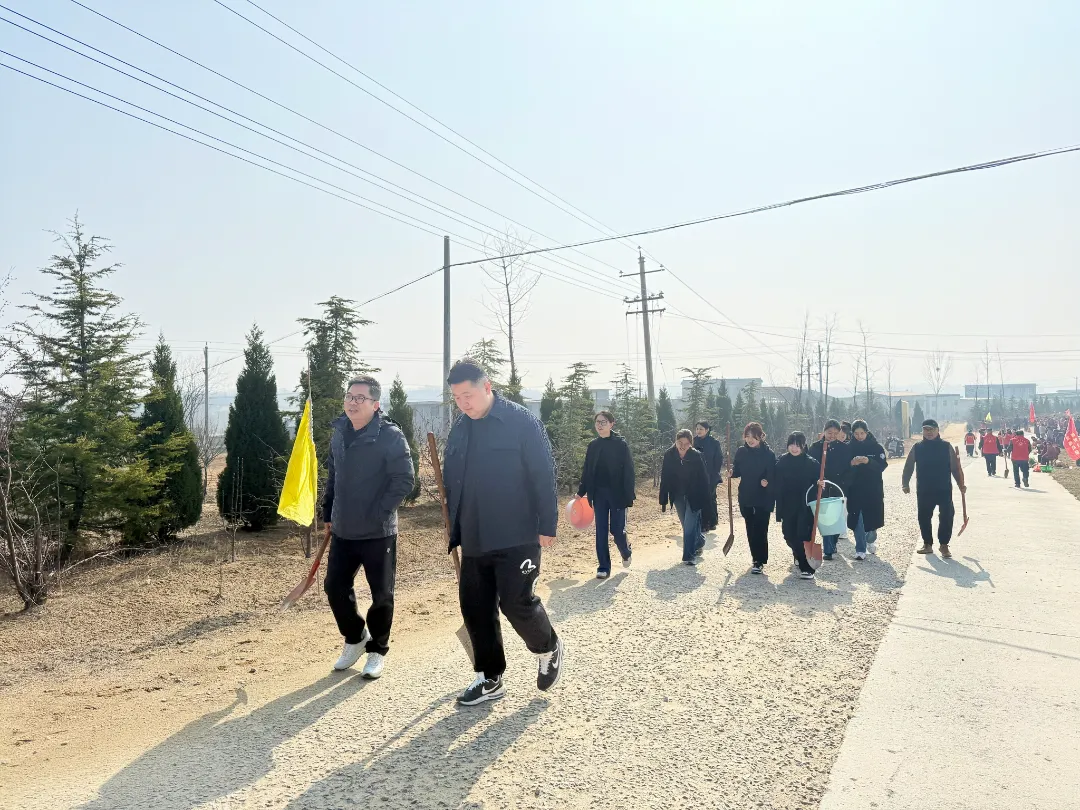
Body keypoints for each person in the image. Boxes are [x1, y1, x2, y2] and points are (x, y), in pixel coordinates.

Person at [443, 359, 564, 706]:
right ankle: (490, 678)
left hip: (517, 532)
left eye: (468, 395)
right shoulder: (460, 428)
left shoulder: (521, 422)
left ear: (487, 386)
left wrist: (548, 523)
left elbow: (543, 473)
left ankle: (548, 647)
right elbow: (455, 476)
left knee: (516, 602)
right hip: (474, 534)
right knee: (475, 607)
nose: (463, 404)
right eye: (456, 398)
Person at [322, 376, 416, 680]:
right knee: (334, 587)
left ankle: (377, 649)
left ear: (375, 405)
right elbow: (333, 475)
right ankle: (355, 637)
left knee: (381, 595)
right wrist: (328, 511)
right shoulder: (339, 432)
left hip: (378, 531)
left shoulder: (389, 436)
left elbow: (404, 479)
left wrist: (379, 513)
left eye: (360, 398)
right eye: (349, 396)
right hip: (343, 528)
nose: (352, 402)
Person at [577, 410, 635, 579]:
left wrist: (628, 495)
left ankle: (625, 551)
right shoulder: (593, 445)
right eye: (597, 422)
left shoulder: (621, 445)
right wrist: (581, 492)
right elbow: (587, 470)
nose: (600, 425)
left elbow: (629, 471)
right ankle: (603, 567)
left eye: (603, 422)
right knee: (600, 531)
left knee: (616, 530)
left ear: (611, 424)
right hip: (598, 494)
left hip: (617, 494)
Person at [901, 418, 965, 558]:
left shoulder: (946, 446)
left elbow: (955, 468)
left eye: (932, 429)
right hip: (924, 489)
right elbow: (909, 465)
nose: (929, 432)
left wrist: (961, 484)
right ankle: (927, 544)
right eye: (926, 429)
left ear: (937, 430)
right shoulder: (917, 447)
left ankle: (944, 545)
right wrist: (905, 482)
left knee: (947, 516)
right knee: (924, 517)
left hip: (944, 488)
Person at [659, 428, 711, 566]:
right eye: (680, 443)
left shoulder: (696, 456)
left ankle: (689, 556)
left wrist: (706, 499)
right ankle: (699, 541)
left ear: (691, 444)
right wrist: (663, 498)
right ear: (675, 441)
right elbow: (665, 476)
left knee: (689, 525)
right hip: (677, 494)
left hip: (695, 495)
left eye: (686, 443)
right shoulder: (669, 455)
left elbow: (704, 479)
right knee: (686, 523)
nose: (682, 446)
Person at [773, 431, 819, 580]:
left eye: (798, 445)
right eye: (791, 445)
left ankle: (807, 568)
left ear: (803, 446)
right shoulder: (782, 461)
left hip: (805, 505)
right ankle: (798, 554)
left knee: (803, 535)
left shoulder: (811, 463)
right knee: (788, 535)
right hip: (787, 504)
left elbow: (819, 481)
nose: (794, 448)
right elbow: (774, 479)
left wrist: (820, 484)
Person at [732, 422, 775, 574]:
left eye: (754, 437)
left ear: (761, 437)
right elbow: (737, 470)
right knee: (750, 527)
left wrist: (767, 480)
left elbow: (773, 473)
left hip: (763, 496)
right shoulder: (741, 452)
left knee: (761, 528)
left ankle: (760, 560)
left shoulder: (769, 454)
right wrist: (731, 473)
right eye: (747, 436)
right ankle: (755, 557)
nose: (750, 440)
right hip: (746, 494)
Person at [808, 419, 853, 560]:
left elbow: (849, 469)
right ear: (824, 432)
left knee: (836, 517)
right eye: (829, 432)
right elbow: (810, 466)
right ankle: (828, 549)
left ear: (839, 433)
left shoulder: (844, 448)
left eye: (835, 433)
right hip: (822, 486)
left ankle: (832, 543)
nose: (832, 435)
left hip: (838, 487)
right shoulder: (816, 447)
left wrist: (845, 482)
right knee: (825, 518)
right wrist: (816, 480)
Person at [846, 419, 888, 560]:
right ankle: (860, 549)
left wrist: (868, 461)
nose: (859, 436)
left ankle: (870, 539)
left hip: (872, 489)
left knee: (872, 520)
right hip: (855, 489)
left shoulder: (876, 447)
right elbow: (843, 468)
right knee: (857, 518)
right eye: (856, 434)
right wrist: (851, 464)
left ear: (867, 432)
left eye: (862, 433)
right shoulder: (848, 447)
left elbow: (882, 466)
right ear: (852, 434)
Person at [693, 421, 724, 532]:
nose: (698, 431)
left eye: (701, 429)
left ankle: (711, 522)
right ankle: (702, 522)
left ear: (707, 430)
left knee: (710, 498)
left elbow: (719, 458)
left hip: (711, 475)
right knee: (700, 498)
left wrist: (715, 473)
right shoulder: (693, 441)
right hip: (697, 476)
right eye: (697, 429)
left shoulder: (714, 443)